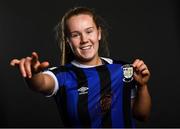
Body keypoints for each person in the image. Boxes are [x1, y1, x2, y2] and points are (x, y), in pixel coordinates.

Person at [10, 7, 151, 128]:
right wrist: (33, 74)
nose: (84, 40)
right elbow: (42, 83)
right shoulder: (63, 75)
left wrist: (143, 86)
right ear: (68, 40)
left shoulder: (122, 69)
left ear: (99, 33)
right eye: (75, 35)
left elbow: (141, 115)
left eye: (89, 31)